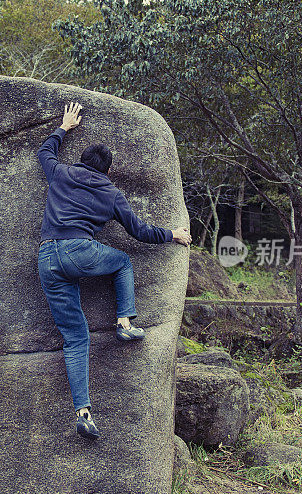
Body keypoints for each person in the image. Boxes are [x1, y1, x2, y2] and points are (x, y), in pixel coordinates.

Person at [37, 102, 192, 440]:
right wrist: (174, 234)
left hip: (48, 257)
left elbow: (44, 152)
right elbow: (140, 232)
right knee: (122, 261)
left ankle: (83, 412)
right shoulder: (110, 193)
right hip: (80, 252)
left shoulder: (61, 173)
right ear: (107, 171)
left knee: (75, 337)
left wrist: (64, 127)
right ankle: (124, 321)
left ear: (81, 162)